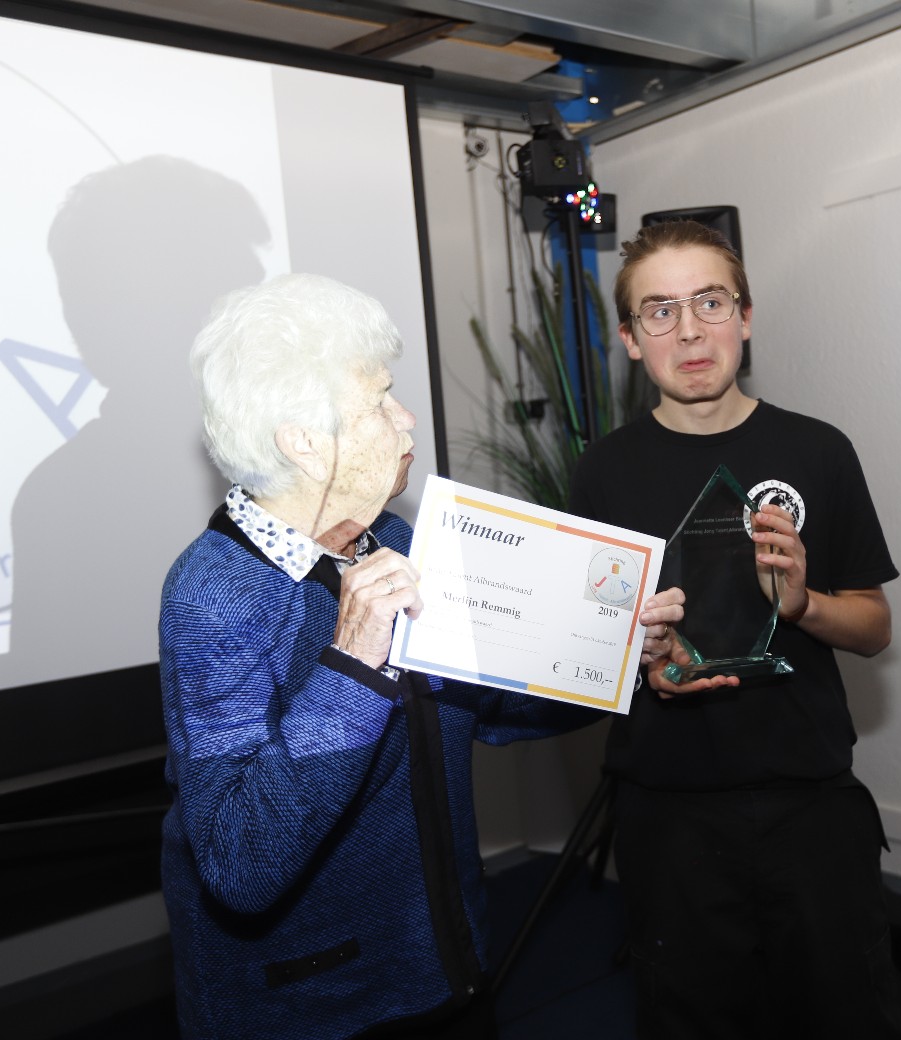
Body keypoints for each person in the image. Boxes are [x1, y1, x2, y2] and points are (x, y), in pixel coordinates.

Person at [159, 273, 592, 1039]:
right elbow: (241, 860)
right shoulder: (215, 595)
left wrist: (614, 659)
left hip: (446, 965)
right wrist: (354, 666)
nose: (406, 418)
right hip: (316, 1009)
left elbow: (485, 704)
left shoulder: (392, 539)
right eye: (380, 401)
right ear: (302, 440)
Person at [568, 221, 901, 1039]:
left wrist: (801, 605)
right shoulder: (604, 473)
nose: (690, 331)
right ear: (630, 339)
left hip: (810, 802)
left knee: (850, 1016)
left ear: (747, 317)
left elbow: (874, 627)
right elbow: (587, 648)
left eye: (711, 303)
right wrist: (643, 662)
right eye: (660, 311)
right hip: (669, 812)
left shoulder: (819, 450)